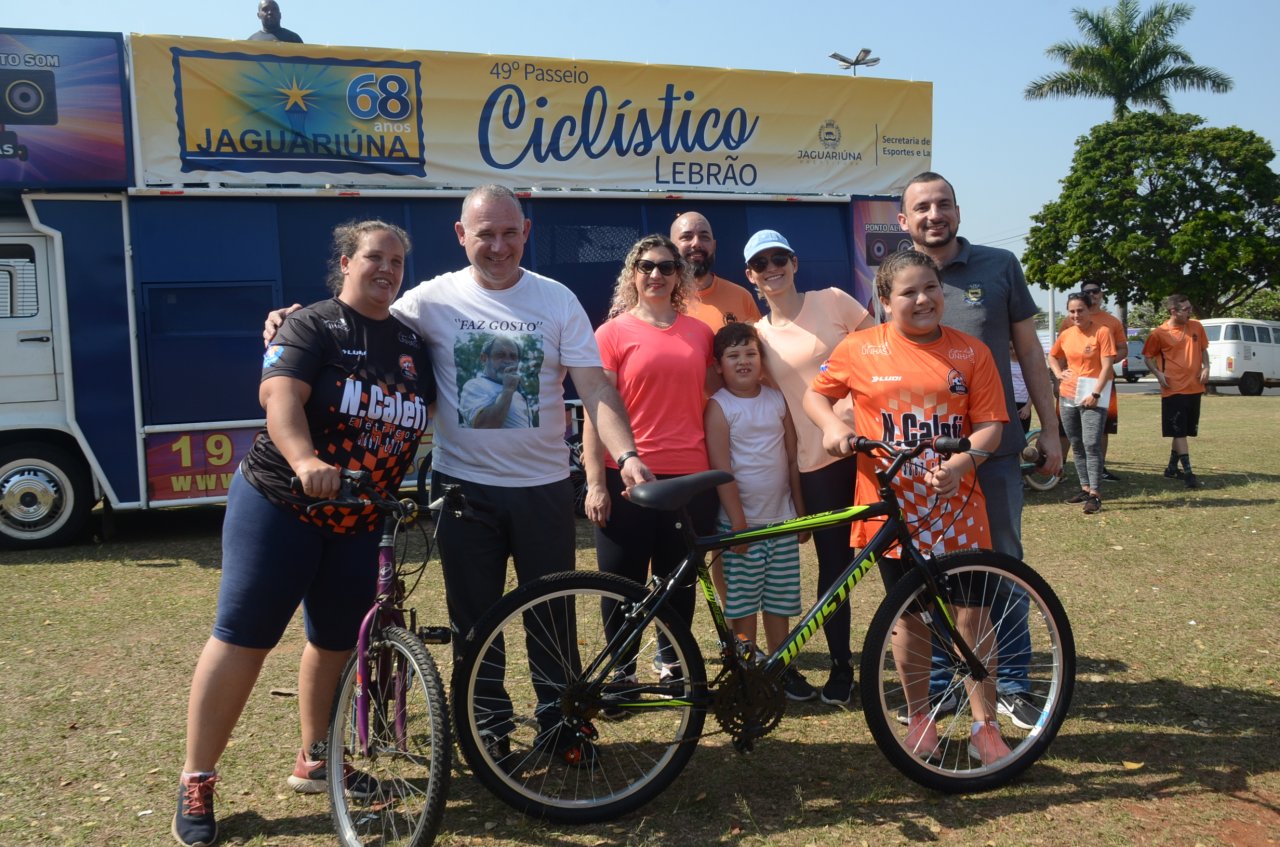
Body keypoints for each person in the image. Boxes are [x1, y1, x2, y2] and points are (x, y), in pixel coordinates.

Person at [264, 186, 652, 762]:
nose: (498, 246)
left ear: (526, 230)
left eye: (508, 233)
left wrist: (627, 456)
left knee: (554, 612)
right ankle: (487, 724)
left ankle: (559, 722)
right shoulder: (430, 300)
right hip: (462, 488)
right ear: (460, 235)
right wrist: (295, 319)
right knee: (476, 617)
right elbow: (357, 313)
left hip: (543, 486)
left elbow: (594, 387)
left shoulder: (557, 300)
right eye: (484, 234)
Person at [174, 221, 432, 847]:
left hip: (359, 517)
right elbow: (281, 398)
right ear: (346, 262)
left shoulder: (411, 342)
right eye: (375, 257)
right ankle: (197, 776)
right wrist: (305, 461)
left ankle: (316, 758)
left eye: (397, 261)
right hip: (281, 503)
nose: (388, 269)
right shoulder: (311, 324)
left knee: (335, 642)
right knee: (243, 637)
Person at [803, 249, 1012, 764]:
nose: (923, 300)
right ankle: (921, 720)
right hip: (891, 507)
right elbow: (815, 396)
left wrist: (963, 463)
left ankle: (986, 727)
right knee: (910, 618)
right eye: (909, 292)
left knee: (973, 617)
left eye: (931, 288)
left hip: (958, 506)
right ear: (883, 299)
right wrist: (833, 427)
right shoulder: (858, 348)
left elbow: (991, 424)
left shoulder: (972, 352)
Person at [896, 171, 1061, 731]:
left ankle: (1012, 682)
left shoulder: (999, 266)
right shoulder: (895, 276)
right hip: (926, 462)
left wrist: (1053, 428)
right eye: (921, 207)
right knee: (936, 575)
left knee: (1003, 568)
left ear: (958, 212)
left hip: (992, 453)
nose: (933, 215)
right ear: (904, 220)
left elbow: (1030, 353)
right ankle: (944, 685)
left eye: (942, 205)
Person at [745, 228, 875, 705]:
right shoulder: (758, 337)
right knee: (834, 568)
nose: (771, 268)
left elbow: (884, 355)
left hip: (873, 452)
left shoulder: (835, 301)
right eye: (760, 264)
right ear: (751, 277)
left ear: (795, 262)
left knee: (896, 562)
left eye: (779, 257)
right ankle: (842, 667)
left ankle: (921, 668)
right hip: (817, 463)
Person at [583, 233, 718, 688]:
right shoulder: (612, 332)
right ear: (632, 274)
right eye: (646, 266)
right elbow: (595, 412)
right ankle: (620, 670)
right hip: (627, 477)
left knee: (676, 582)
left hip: (689, 477)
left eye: (666, 266)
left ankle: (672, 664)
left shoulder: (700, 332)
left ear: (680, 275)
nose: (656, 275)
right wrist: (595, 484)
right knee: (621, 581)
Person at [704, 321, 814, 700]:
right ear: (719, 365)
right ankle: (747, 665)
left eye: (750, 353)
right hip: (743, 527)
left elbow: (791, 459)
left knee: (779, 600)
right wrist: (738, 525)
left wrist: (800, 513)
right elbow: (722, 470)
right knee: (744, 601)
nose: (744, 361)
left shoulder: (777, 399)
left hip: (781, 522)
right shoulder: (719, 407)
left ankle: (781, 666)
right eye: (733, 356)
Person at [1049, 292, 1117, 514]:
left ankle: (1095, 495)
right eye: (1072, 311)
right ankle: (1084, 487)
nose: (1076, 315)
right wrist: (1059, 373)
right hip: (1069, 394)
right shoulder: (1067, 334)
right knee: (1076, 443)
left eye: (1080, 310)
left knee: (1091, 444)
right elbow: (1052, 356)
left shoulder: (1102, 332)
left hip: (1092, 395)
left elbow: (1107, 366)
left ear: (1089, 311)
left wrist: (1095, 394)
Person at [1059, 282, 1127, 481]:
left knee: (1101, 429)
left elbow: (1123, 350)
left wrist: (1103, 360)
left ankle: (1099, 471)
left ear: (1101, 294)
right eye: (1087, 292)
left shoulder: (1111, 323)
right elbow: (1060, 353)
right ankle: (1061, 467)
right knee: (1065, 429)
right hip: (1072, 385)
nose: (1092, 295)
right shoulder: (1069, 321)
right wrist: (1058, 377)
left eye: (1095, 291)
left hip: (1101, 383)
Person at [1142, 294, 1209, 489]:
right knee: (1179, 432)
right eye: (1185, 309)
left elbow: (1203, 349)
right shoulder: (1159, 333)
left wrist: (1206, 367)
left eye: (1190, 308)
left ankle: (1172, 468)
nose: (1190, 312)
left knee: (1182, 430)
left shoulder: (1196, 326)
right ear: (1173, 311)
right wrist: (1158, 374)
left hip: (1194, 387)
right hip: (1173, 389)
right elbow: (1147, 356)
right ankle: (1188, 473)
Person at [670, 211, 762, 329]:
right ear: (671, 247)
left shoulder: (741, 297)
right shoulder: (662, 299)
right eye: (687, 237)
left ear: (714, 246)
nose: (696, 243)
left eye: (704, 237)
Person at [458, 334, 533, 428]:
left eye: (513, 357)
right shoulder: (474, 385)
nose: (508, 361)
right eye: (500, 355)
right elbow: (484, 426)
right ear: (484, 358)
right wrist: (508, 390)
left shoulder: (518, 392)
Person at [1010, 341, 1032, 434]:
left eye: (1015, 348)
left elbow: (1033, 387)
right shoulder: (1005, 363)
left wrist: (1028, 406)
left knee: (1023, 434)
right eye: (1010, 348)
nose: (1013, 351)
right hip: (1010, 403)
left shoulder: (1028, 364)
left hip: (1023, 404)